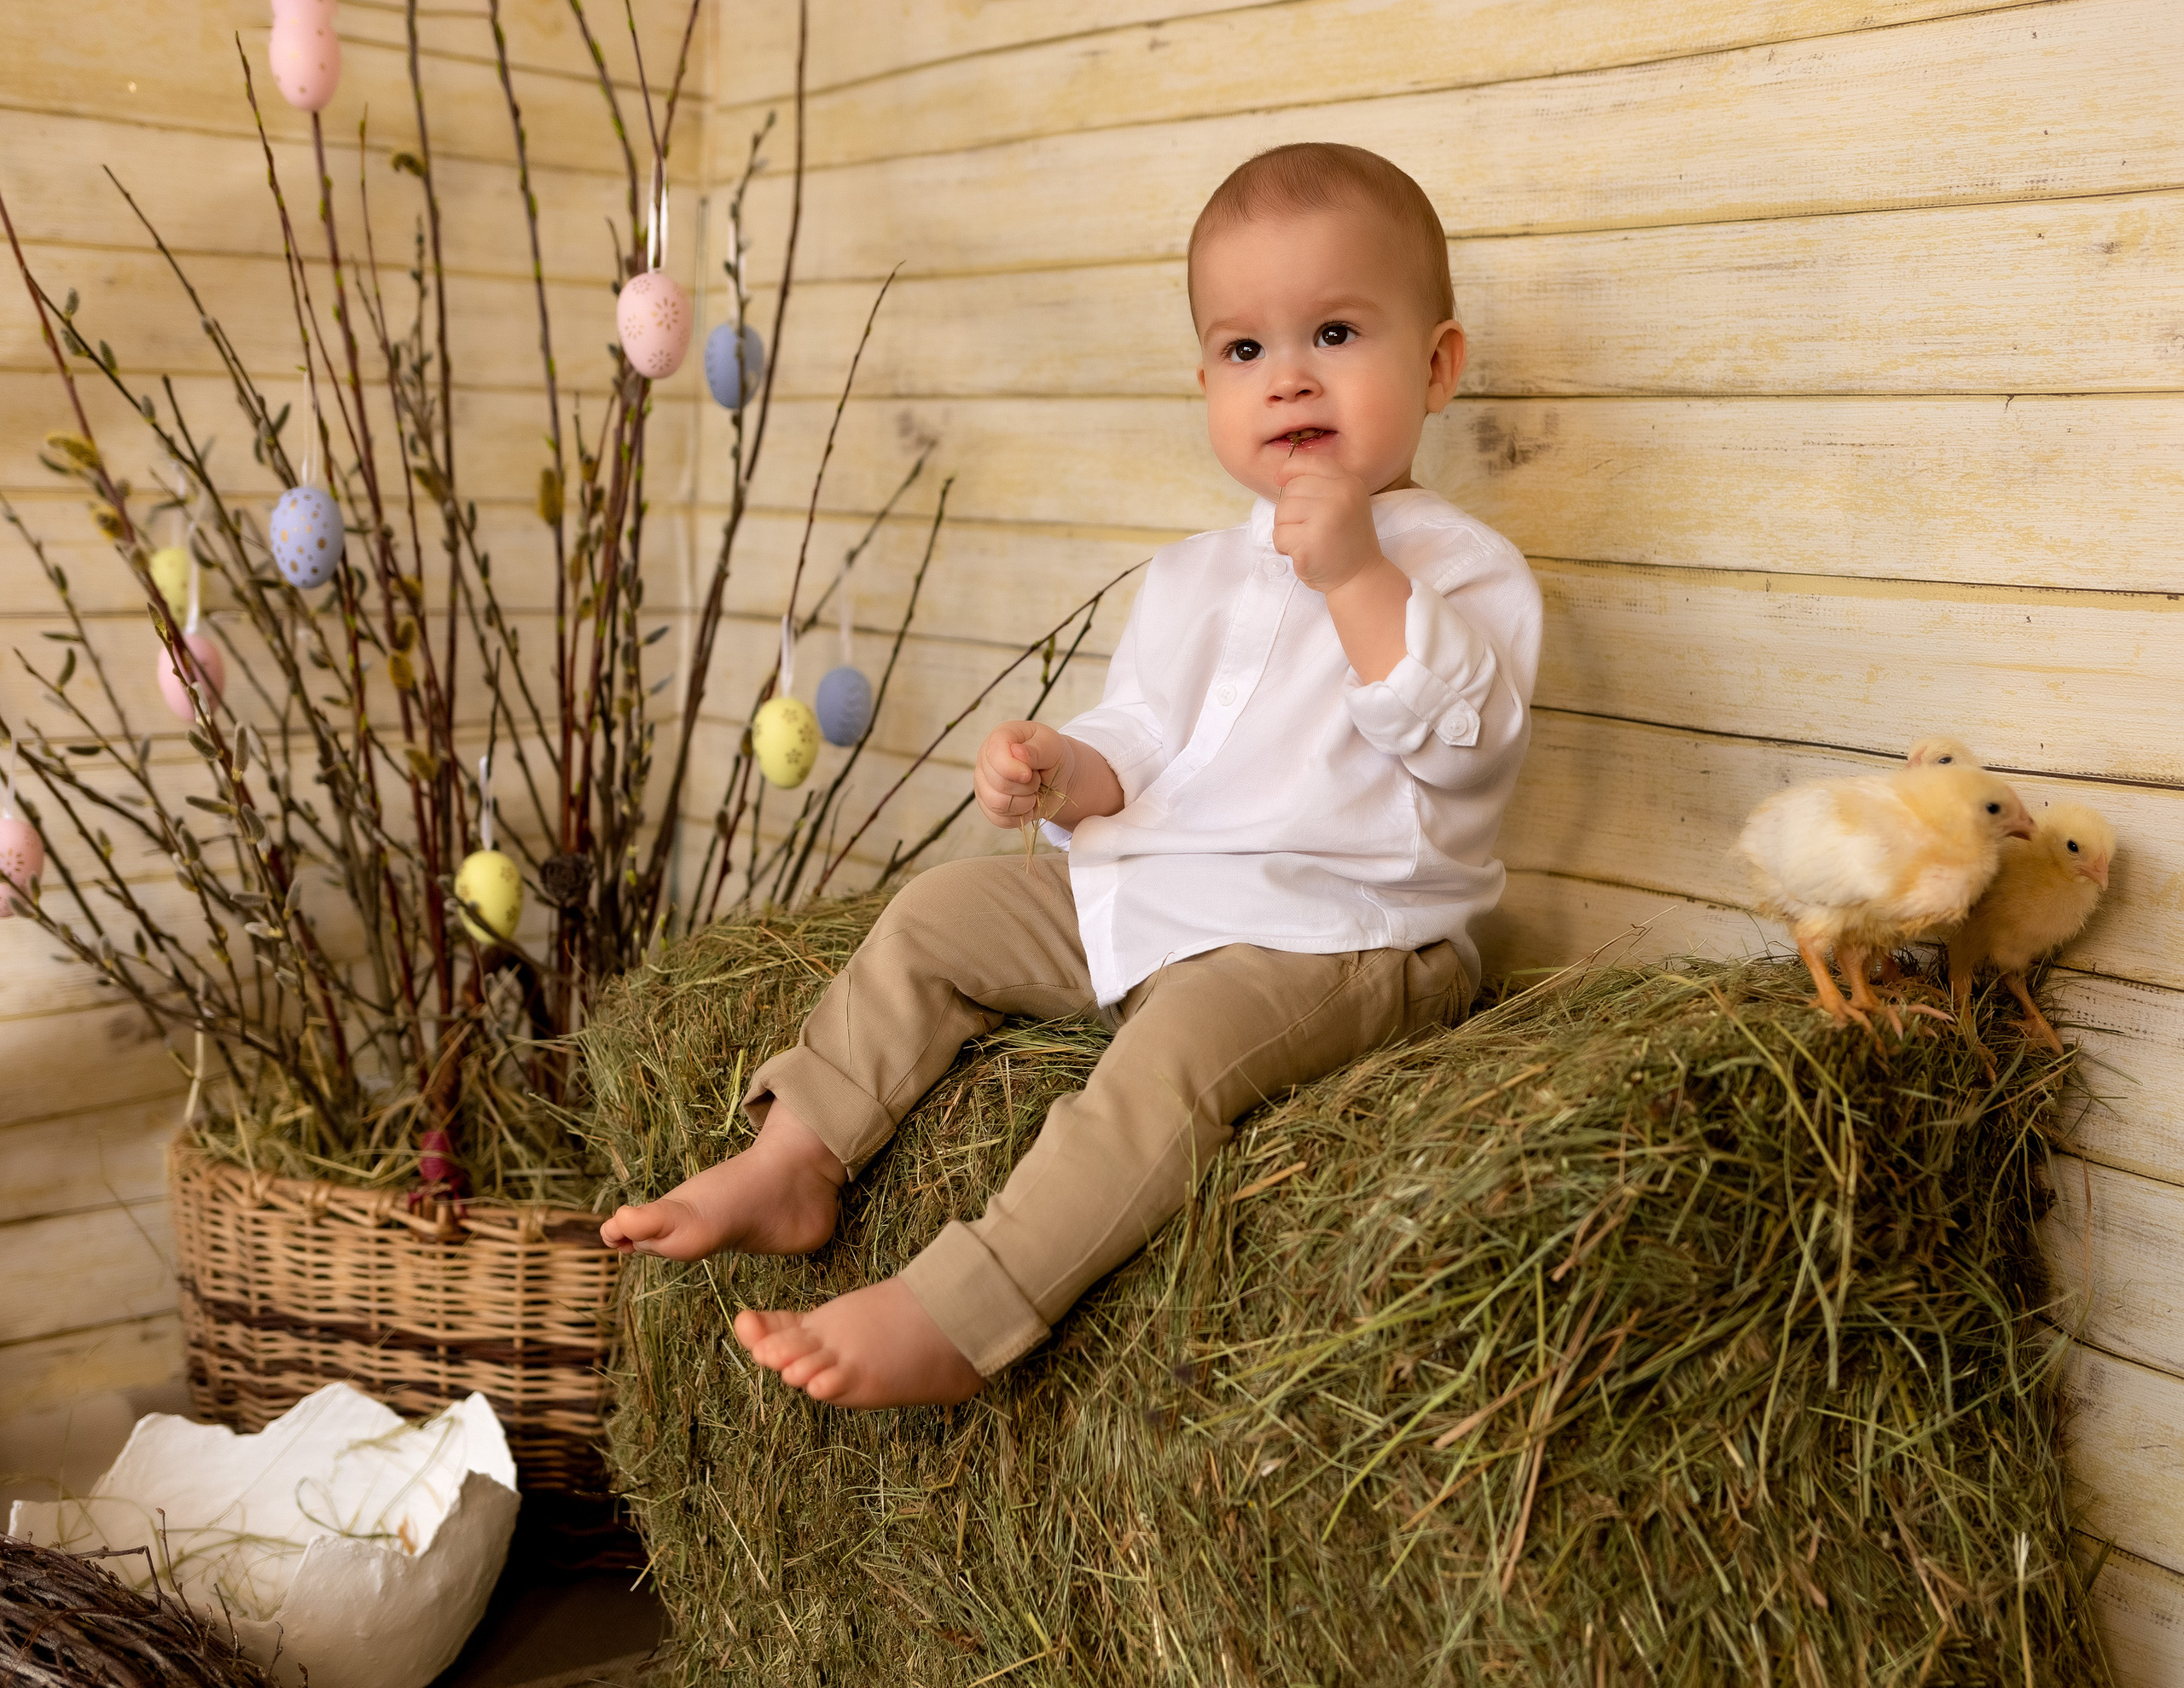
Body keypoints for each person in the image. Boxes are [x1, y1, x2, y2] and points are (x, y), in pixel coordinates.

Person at [601, 142, 1543, 1409]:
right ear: (1206, 378)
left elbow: (1465, 745)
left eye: (1334, 331)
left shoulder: (1464, 569)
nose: (1289, 380)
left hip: (1340, 935)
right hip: (1164, 891)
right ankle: (797, 1154)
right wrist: (1067, 771)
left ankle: (967, 1302)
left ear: (1435, 368)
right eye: (1245, 351)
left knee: (1169, 1061)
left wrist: (1362, 577)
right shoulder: (1192, 575)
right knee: (937, 914)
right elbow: (1149, 741)